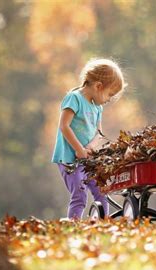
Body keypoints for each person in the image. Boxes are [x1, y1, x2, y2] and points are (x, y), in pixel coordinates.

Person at [52, 58, 127, 219]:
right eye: (109, 95)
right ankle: (74, 224)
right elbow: (64, 126)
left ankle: (103, 222)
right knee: (79, 194)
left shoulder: (97, 107)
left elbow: (99, 133)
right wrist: (79, 149)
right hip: (69, 159)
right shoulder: (74, 98)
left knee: (101, 190)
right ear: (98, 86)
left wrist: (89, 148)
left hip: (87, 159)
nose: (108, 100)